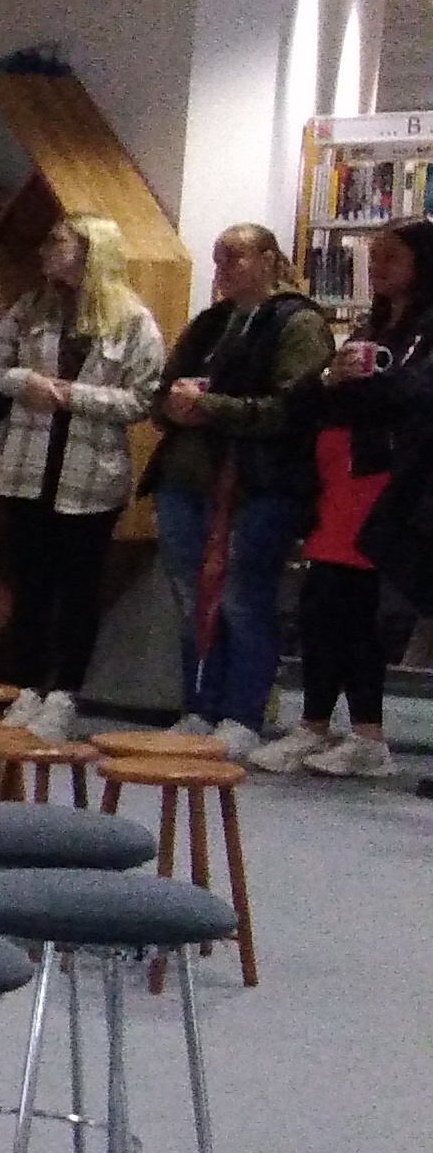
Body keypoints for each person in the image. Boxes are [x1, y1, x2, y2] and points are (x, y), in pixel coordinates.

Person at [0, 213, 166, 741]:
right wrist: (25, 381)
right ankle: (27, 686)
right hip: (25, 466)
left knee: (78, 589)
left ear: (90, 250)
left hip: (91, 475)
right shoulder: (32, 307)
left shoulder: (132, 320)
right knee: (30, 584)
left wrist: (72, 395)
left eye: (58, 241)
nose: (45, 250)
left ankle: (65, 694)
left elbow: (143, 399)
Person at [148, 222, 329, 758]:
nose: (222, 270)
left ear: (269, 258)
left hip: (257, 483)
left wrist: (209, 406)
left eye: (235, 258)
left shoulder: (298, 323)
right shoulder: (210, 323)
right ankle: (198, 706)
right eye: (218, 259)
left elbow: (293, 409)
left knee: (242, 599)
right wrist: (174, 405)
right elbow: (162, 390)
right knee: (192, 598)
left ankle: (243, 712)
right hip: (186, 476)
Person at [273, 219, 429, 777]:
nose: (377, 268)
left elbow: (410, 397)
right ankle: (314, 723)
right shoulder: (372, 324)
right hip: (338, 479)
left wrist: (352, 392)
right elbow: (308, 401)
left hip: (390, 483)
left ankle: (368, 734)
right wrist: (331, 381)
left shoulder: (425, 329)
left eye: (391, 257)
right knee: (322, 606)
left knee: (359, 611)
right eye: (373, 256)